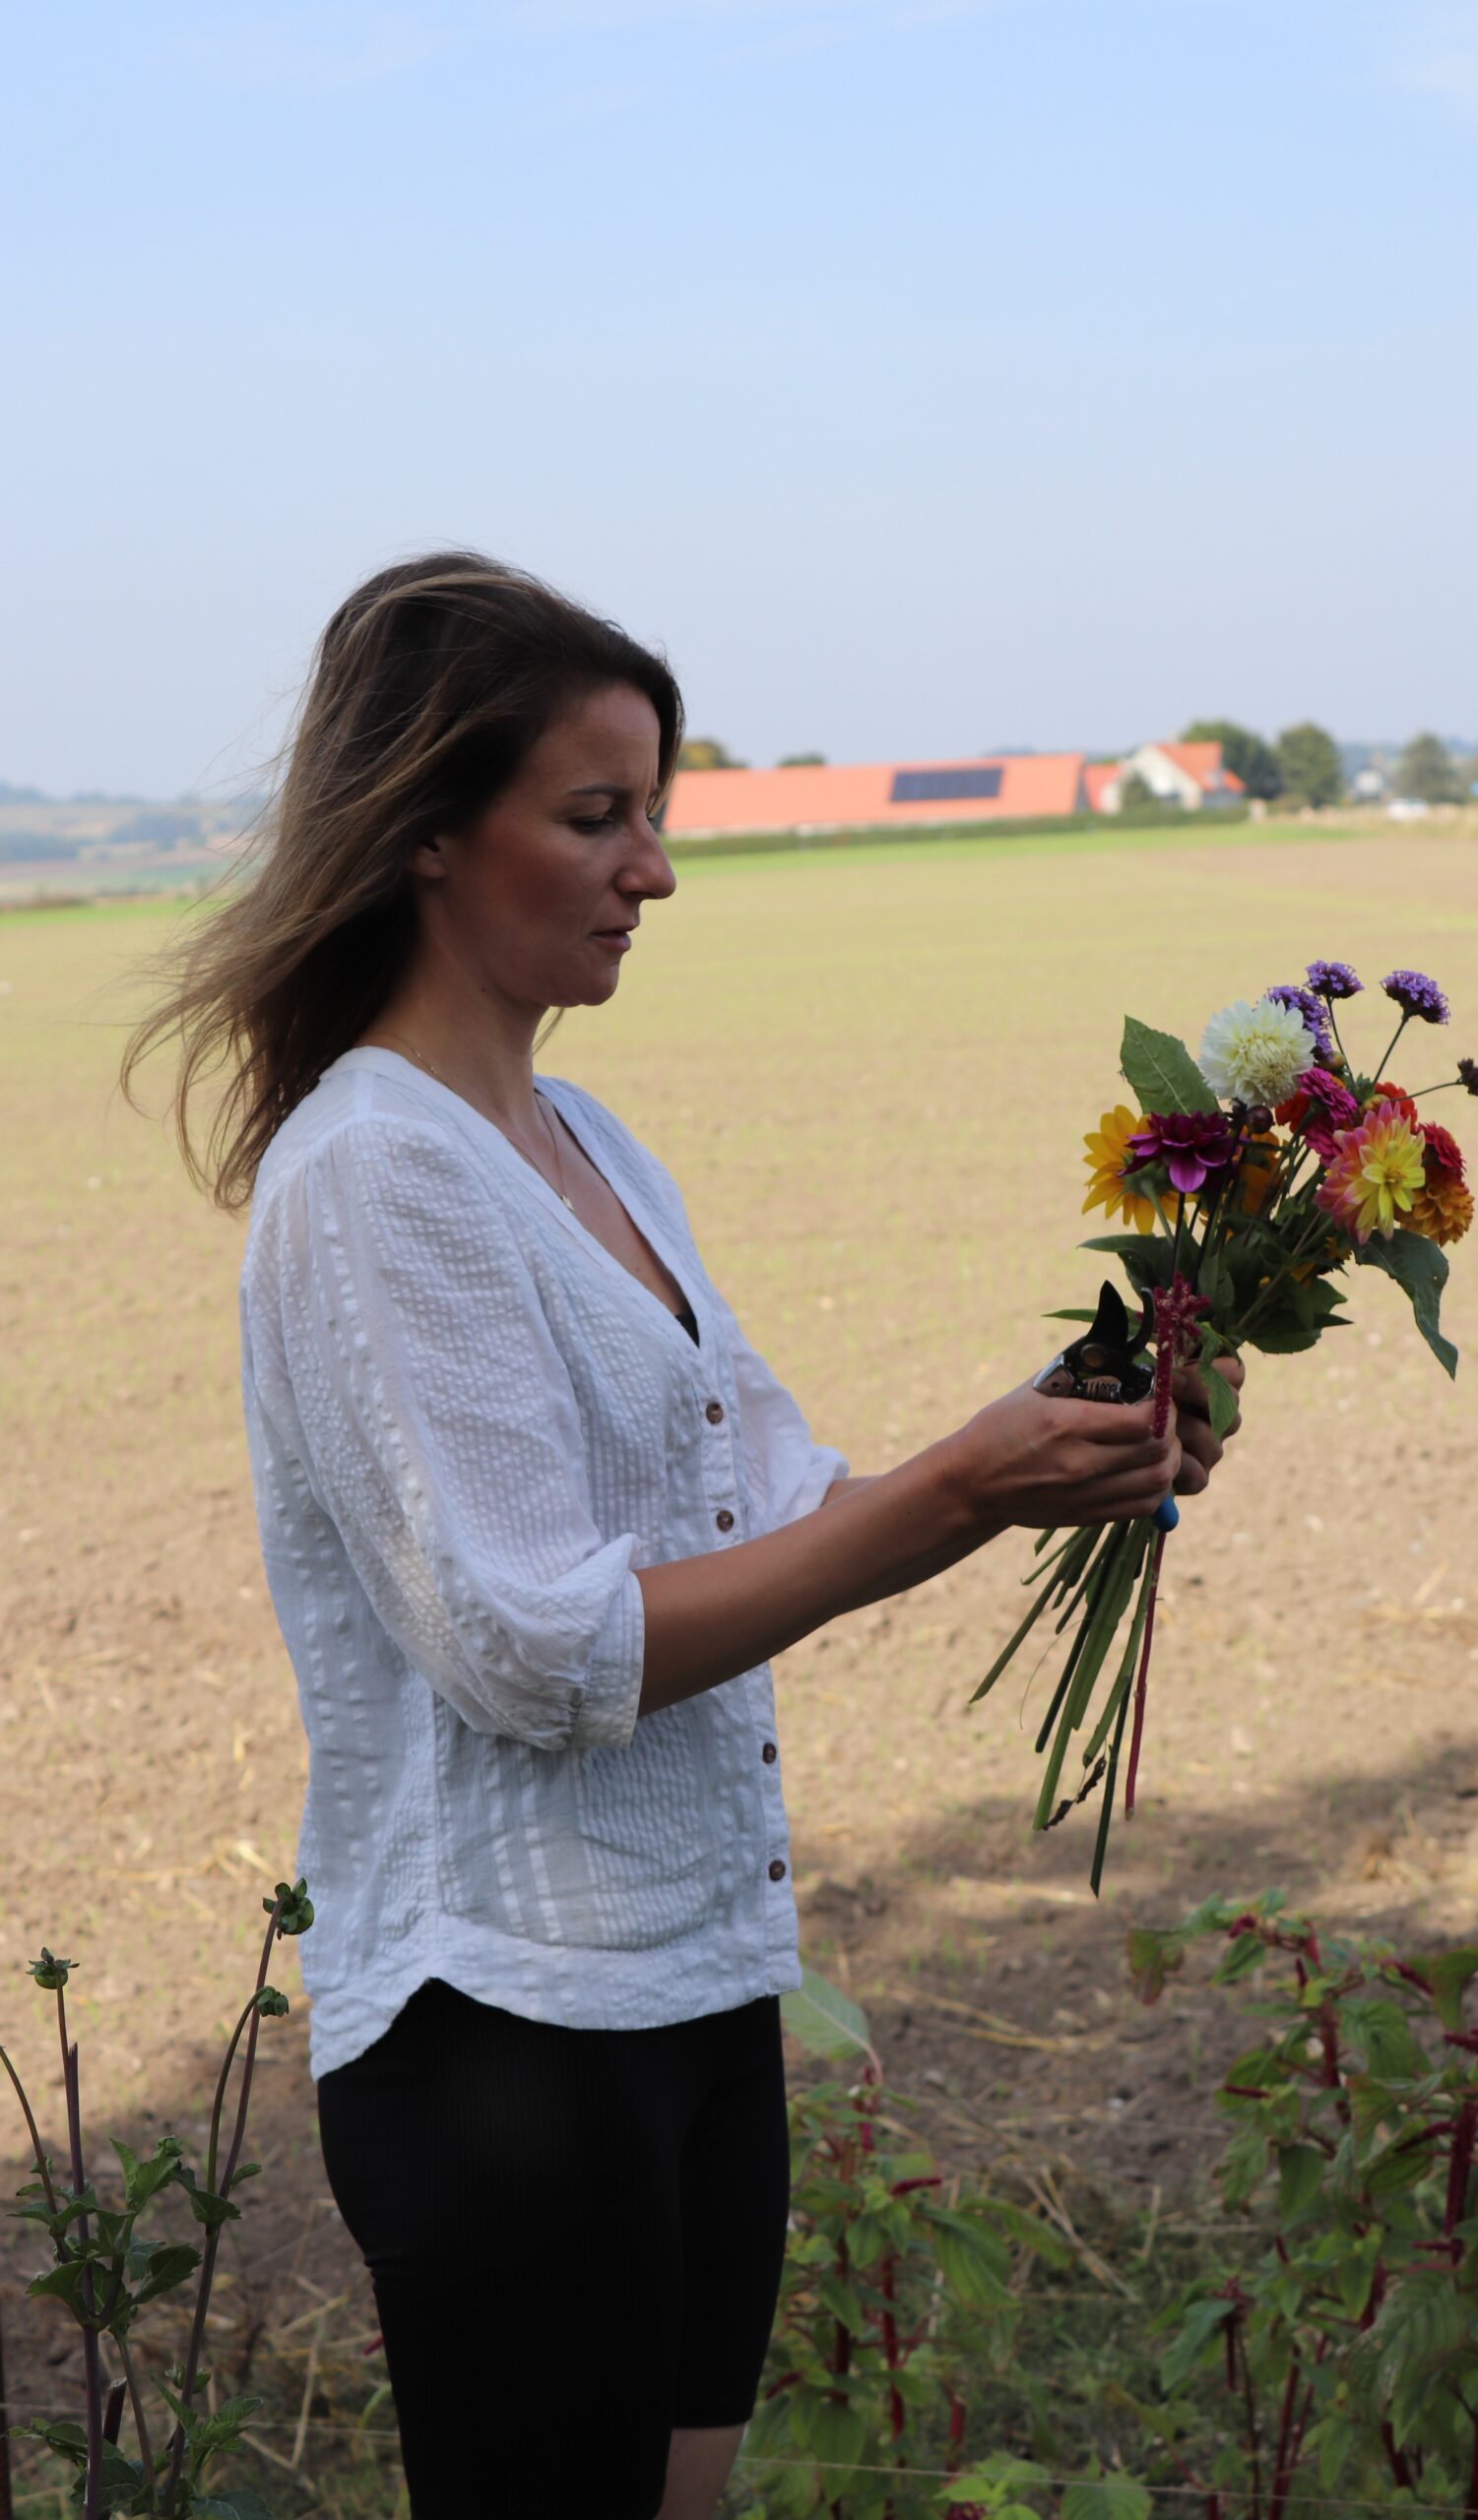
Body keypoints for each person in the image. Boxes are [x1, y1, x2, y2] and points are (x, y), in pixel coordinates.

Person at [125, 552, 1242, 2519]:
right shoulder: (376, 1174)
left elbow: (776, 1492)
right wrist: (958, 1490)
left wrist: (1057, 1438)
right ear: (422, 836)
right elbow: (531, 1651)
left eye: (653, 808)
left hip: (696, 1975)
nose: (652, 865)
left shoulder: (582, 1139)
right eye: (593, 813)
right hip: (507, 2030)